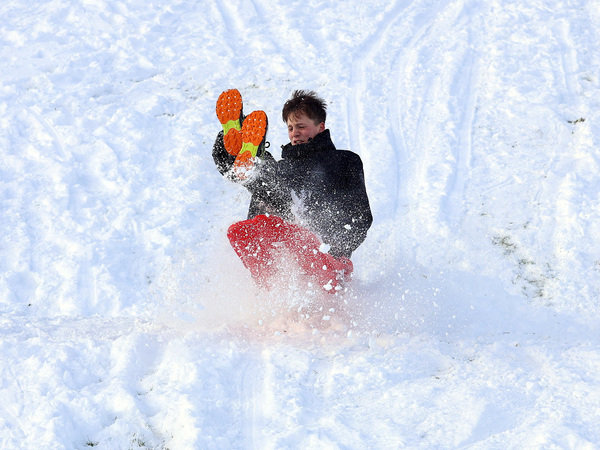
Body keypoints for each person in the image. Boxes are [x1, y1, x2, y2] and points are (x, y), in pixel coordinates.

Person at [213, 89, 372, 290]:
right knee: (268, 183)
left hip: (329, 260)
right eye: (290, 128)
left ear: (320, 127)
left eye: (301, 126)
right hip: (287, 254)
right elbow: (259, 216)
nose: (294, 132)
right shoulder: (282, 169)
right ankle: (239, 150)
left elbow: (361, 215)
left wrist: (336, 250)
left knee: (270, 180)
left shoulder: (344, 161)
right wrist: (255, 232)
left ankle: (253, 159)